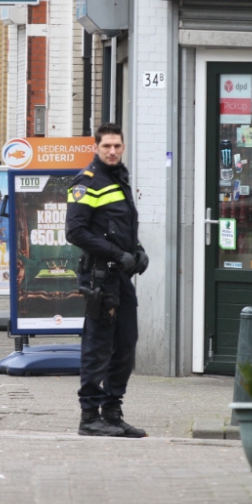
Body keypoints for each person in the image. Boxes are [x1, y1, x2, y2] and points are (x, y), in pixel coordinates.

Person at [66, 122, 150, 438]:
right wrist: (117, 253)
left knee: (126, 343)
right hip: (100, 278)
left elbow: (121, 226)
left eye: (117, 146)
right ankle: (89, 417)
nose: (112, 151)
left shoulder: (119, 179)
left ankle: (112, 413)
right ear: (96, 148)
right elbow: (75, 231)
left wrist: (137, 250)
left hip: (120, 276)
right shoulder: (87, 182)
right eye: (106, 147)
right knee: (98, 347)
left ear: (123, 147)